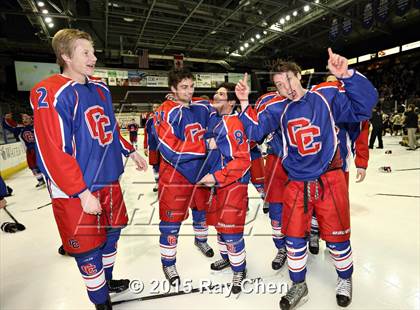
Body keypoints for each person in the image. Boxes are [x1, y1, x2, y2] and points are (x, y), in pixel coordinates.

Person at [236, 48, 378, 309]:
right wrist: (245, 103)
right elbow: (254, 132)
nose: (285, 87)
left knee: (337, 239)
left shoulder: (327, 95)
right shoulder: (277, 109)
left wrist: (346, 74)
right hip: (297, 182)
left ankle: (345, 279)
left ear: (298, 75)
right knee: (293, 238)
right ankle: (298, 284)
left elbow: (365, 106)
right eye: (279, 85)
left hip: (330, 180)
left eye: (288, 79)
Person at [30, 28, 147, 310]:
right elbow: (52, 149)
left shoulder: (100, 88)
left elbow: (109, 127)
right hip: (75, 188)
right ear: (66, 56)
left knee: (112, 232)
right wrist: (80, 192)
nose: (94, 57)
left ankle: (106, 281)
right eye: (86, 52)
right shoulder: (51, 92)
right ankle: (100, 302)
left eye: (93, 51)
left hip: (108, 178)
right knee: (88, 247)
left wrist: (129, 149)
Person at [153, 68, 216, 285]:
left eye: (191, 86)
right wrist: (205, 145)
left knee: (202, 211)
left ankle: (201, 241)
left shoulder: (201, 105)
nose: (189, 92)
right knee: (170, 223)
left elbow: (219, 117)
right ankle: (168, 263)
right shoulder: (163, 112)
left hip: (200, 172)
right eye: (183, 87)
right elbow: (171, 150)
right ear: (172, 89)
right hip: (175, 177)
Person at [198, 83, 251, 293]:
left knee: (231, 230)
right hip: (218, 185)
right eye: (216, 92)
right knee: (220, 227)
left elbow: (244, 160)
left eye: (221, 94)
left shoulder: (234, 123)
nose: (215, 96)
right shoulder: (219, 122)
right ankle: (227, 259)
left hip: (233, 185)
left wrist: (218, 177)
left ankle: (240, 269)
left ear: (231, 102)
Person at [2, 113, 46, 188]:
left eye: (26, 118)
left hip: (41, 149)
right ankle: (41, 180)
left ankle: (52, 178)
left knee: (45, 165)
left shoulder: (37, 125)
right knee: (33, 167)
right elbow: (7, 126)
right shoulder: (20, 129)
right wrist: (5, 119)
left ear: (31, 119)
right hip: (30, 151)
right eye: (23, 119)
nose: (24, 120)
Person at [144, 104, 161, 192]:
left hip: (163, 147)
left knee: (165, 166)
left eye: (157, 107)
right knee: (155, 165)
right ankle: (157, 183)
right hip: (153, 147)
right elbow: (146, 134)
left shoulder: (164, 119)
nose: (155, 109)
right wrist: (145, 147)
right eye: (154, 107)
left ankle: (164, 183)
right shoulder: (149, 120)